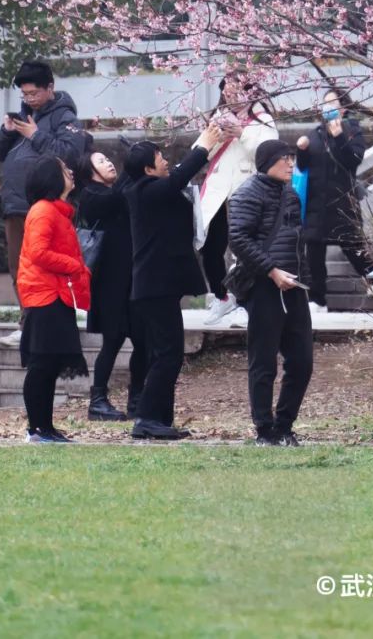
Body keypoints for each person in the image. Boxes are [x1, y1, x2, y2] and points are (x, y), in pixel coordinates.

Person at [123, 121, 223, 440]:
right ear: (148, 169)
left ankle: (160, 419)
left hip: (158, 287)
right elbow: (179, 175)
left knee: (165, 354)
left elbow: (178, 178)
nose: (165, 159)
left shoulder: (150, 191)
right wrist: (203, 144)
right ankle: (147, 418)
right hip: (154, 287)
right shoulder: (144, 192)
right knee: (168, 354)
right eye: (159, 156)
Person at [0, 58, 90, 343]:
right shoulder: (22, 115)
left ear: (50, 88)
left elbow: (71, 155)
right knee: (19, 268)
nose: (30, 99)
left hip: (44, 206)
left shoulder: (64, 117)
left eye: (34, 93)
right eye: (25, 94)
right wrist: (7, 131)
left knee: (45, 267)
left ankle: (40, 327)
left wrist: (36, 135)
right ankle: (28, 325)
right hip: (15, 204)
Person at [228, 137, 312, 446]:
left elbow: (296, 238)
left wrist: (302, 278)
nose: (291, 164)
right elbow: (238, 238)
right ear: (268, 163)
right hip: (264, 285)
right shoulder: (246, 194)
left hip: (293, 286)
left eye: (292, 158)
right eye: (285, 159)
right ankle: (264, 430)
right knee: (263, 361)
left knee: (302, 361)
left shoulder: (291, 194)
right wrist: (271, 271)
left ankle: (284, 425)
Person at [16, 154, 91, 444]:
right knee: (41, 365)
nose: (70, 172)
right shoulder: (43, 211)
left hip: (56, 293)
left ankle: (45, 428)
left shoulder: (56, 211)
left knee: (48, 366)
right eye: (63, 169)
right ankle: (36, 429)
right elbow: (39, 253)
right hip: (44, 295)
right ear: (51, 178)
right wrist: (75, 265)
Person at [195, 77, 278, 323]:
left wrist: (241, 134)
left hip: (247, 191)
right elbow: (197, 153)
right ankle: (221, 297)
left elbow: (269, 154)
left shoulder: (262, 119)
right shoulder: (217, 117)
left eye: (236, 92)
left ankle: (244, 300)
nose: (231, 98)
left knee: (243, 249)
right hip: (217, 192)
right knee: (210, 247)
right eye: (227, 93)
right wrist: (213, 137)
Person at [294, 86, 373, 315]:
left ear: (344, 109)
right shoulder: (315, 133)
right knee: (313, 253)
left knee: (352, 245)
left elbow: (353, 160)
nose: (329, 109)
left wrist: (339, 136)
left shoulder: (352, 130)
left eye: (334, 104)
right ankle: (317, 299)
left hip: (342, 201)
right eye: (325, 105)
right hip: (315, 204)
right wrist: (301, 151)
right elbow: (302, 167)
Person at [76, 150, 146, 422]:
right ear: (90, 171)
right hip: (109, 284)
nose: (109, 163)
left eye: (109, 159)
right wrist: (134, 165)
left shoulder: (111, 192)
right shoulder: (92, 196)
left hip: (128, 279)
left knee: (141, 340)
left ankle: (136, 398)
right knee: (113, 340)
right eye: (101, 161)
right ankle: (98, 400)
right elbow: (119, 197)